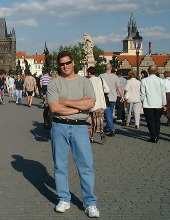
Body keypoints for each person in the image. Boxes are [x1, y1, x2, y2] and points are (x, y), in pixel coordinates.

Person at [47, 51, 99, 218]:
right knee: (60, 165)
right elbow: (54, 108)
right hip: (59, 127)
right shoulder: (54, 83)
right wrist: (79, 107)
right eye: (62, 64)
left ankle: (90, 203)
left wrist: (66, 102)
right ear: (59, 66)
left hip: (80, 127)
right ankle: (63, 199)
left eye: (68, 63)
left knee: (85, 166)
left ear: (73, 62)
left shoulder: (85, 81)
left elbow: (91, 102)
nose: (65, 66)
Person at [140, 65, 167, 143]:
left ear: (148, 71)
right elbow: (163, 93)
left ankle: (153, 136)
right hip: (158, 104)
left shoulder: (144, 80)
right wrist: (164, 103)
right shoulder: (161, 81)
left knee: (150, 121)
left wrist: (142, 101)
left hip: (148, 104)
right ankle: (157, 135)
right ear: (156, 71)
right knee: (157, 121)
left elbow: (142, 94)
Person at [99, 64, 124, 136]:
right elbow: (119, 87)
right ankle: (107, 127)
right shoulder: (115, 77)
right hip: (113, 97)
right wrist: (122, 96)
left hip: (105, 97)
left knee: (108, 114)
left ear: (104, 68)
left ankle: (112, 129)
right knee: (109, 113)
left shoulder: (101, 76)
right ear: (111, 68)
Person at [87, 66, 109, 143]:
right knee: (100, 119)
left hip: (92, 103)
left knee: (91, 121)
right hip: (101, 103)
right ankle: (101, 131)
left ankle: (91, 137)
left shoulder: (88, 81)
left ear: (89, 73)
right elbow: (107, 90)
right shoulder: (101, 80)